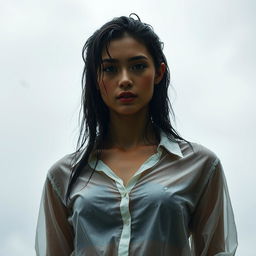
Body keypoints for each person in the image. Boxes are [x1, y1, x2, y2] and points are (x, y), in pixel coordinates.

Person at [35, 14, 238, 256]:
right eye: (110, 69)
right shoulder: (63, 176)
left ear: (159, 73)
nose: (125, 80)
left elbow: (217, 251)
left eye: (138, 66)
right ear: (97, 79)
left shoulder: (200, 165)